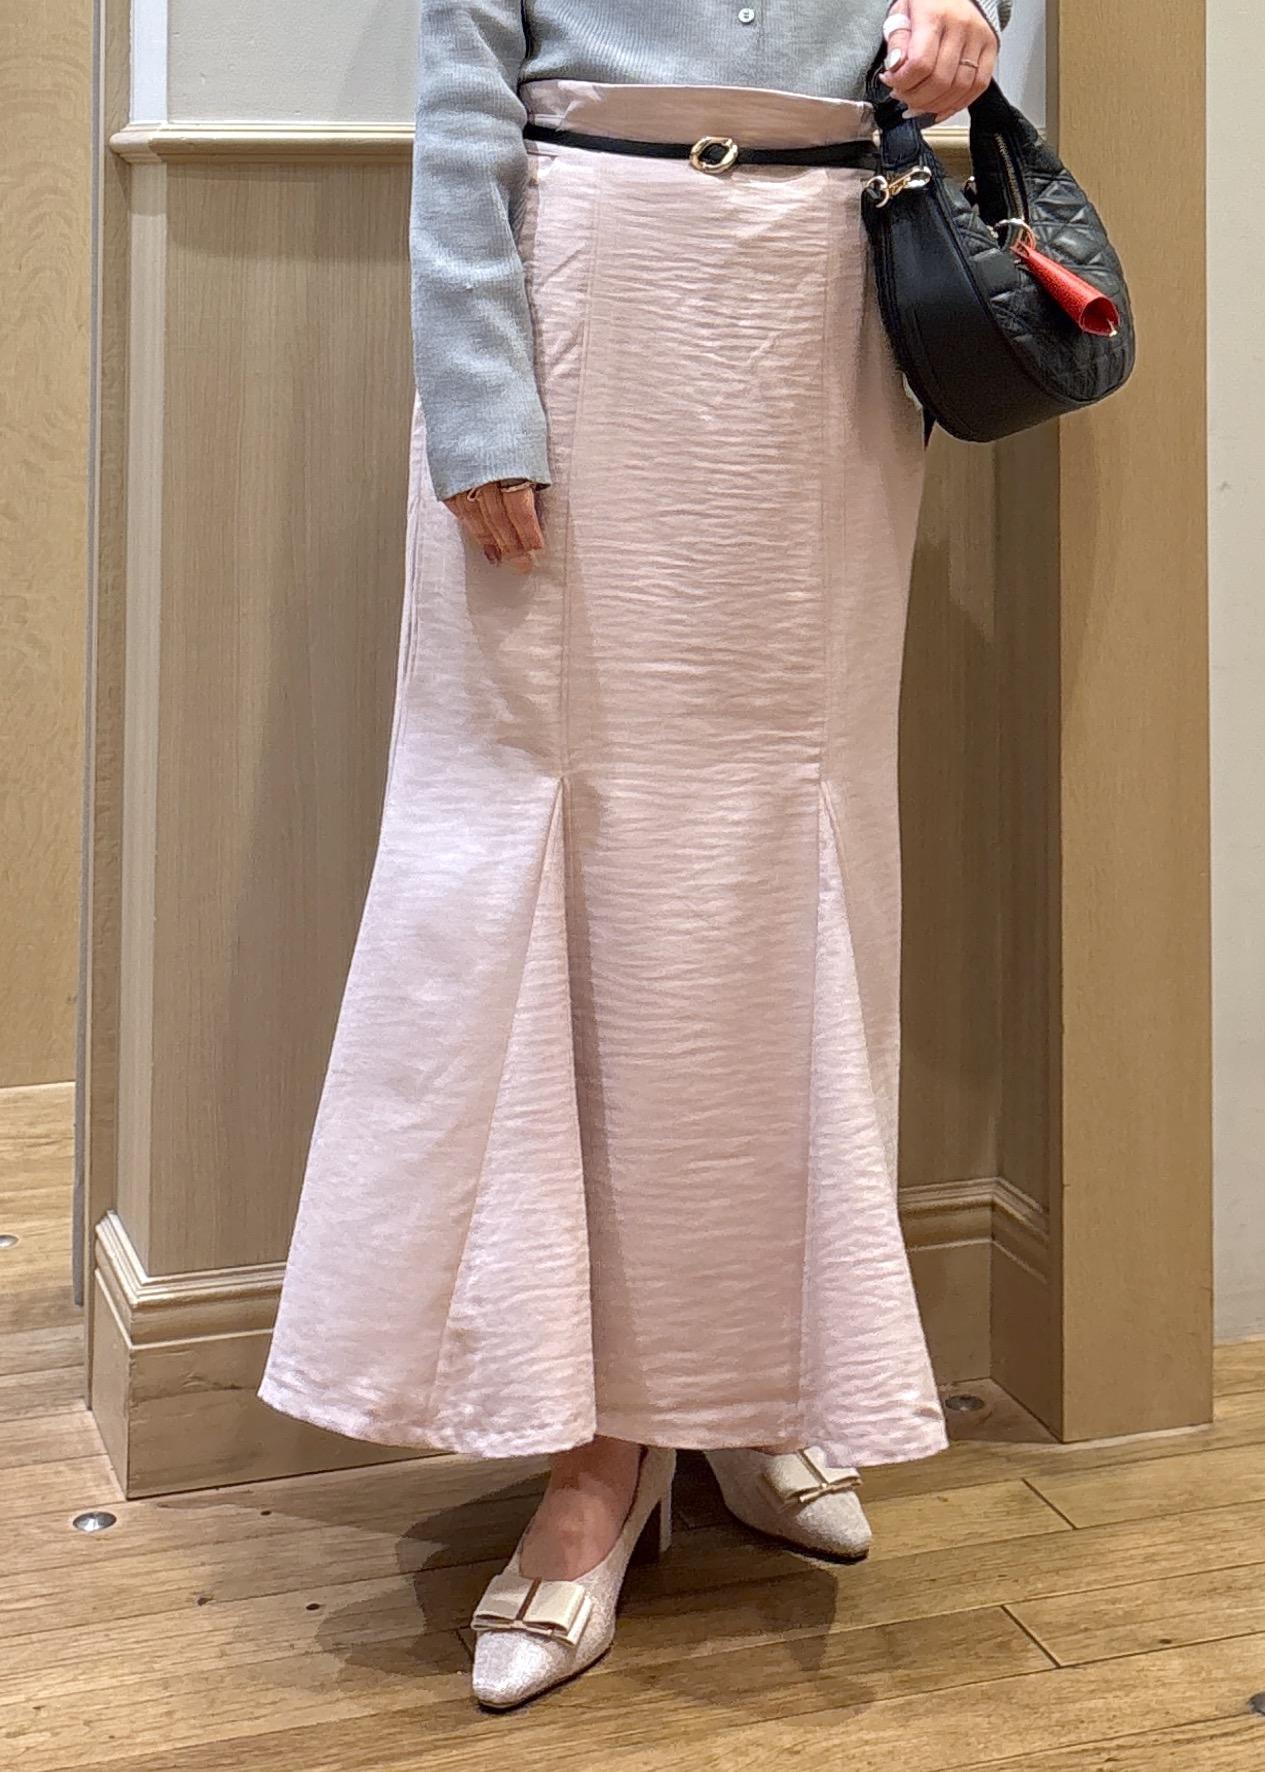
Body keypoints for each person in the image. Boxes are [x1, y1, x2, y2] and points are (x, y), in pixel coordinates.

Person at [257, 0, 1013, 1711]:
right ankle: (593, 1462)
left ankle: (747, 1389)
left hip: (821, 320)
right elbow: (463, 108)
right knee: (562, 855)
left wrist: (968, 17)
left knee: (786, 858)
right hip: (582, 309)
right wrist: (475, 399)